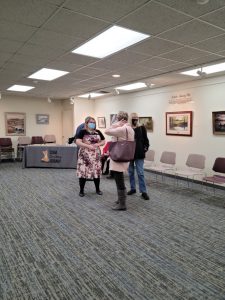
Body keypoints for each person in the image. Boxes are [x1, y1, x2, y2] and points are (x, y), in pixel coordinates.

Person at [105, 111, 134, 211]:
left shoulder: (122, 128)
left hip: (118, 156)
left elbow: (107, 131)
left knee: (119, 180)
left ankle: (122, 204)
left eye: (117, 118)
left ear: (120, 119)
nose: (116, 120)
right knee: (120, 178)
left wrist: (117, 124)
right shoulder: (129, 128)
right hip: (123, 156)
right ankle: (120, 199)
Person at [76, 116, 105, 197]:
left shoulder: (98, 132)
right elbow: (78, 141)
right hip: (84, 156)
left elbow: (103, 141)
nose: (93, 124)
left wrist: (97, 144)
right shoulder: (82, 132)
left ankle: (97, 189)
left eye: (94, 122)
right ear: (86, 123)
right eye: (91, 122)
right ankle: (81, 190)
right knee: (83, 172)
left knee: (96, 172)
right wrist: (87, 146)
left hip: (95, 155)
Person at [127, 113, 150, 200]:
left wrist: (145, 148)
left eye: (137, 118)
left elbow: (146, 140)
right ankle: (133, 188)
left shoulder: (141, 128)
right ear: (130, 119)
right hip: (130, 153)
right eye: (133, 118)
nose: (135, 119)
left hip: (139, 153)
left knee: (140, 173)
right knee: (131, 172)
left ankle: (143, 191)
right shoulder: (128, 128)